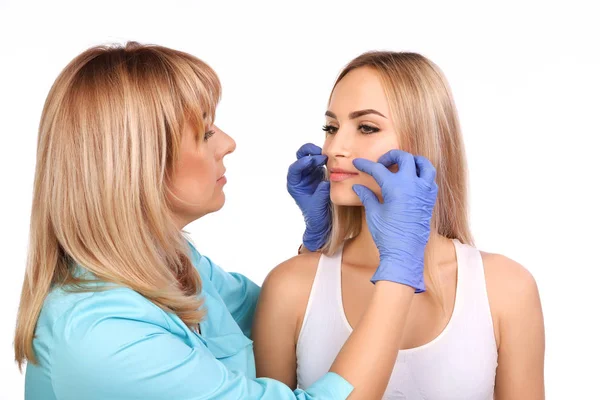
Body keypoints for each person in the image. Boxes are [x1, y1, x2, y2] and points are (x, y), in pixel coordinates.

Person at [14, 42, 440, 400]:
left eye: (365, 127)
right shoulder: (104, 337)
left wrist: (315, 248)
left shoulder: (170, 263)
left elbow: (284, 317)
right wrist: (400, 268)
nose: (229, 143)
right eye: (204, 133)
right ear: (138, 166)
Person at [253, 52, 545, 399]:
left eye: (366, 127)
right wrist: (315, 248)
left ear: (423, 142)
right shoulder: (290, 286)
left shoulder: (507, 288)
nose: (334, 148)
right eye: (331, 128)